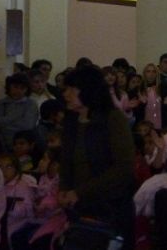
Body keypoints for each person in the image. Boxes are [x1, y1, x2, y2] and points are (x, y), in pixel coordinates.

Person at [58, 64, 135, 245]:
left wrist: (79, 192)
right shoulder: (71, 121)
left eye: (71, 89)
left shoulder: (113, 118)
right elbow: (67, 161)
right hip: (79, 207)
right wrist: (64, 188)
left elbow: (123, 167)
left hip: (109, 206)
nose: (65, 94)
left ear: (87, 90)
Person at [0, 73, 38, 150]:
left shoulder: (30, 104)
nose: (18, 90)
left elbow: (27, 125)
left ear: (27, 89)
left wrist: (4, 125)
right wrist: (15, 118)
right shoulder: (0, 103)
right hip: (1, 144)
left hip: (23, 145)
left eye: (22, 88)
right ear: (9, 86)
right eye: (15, 87)